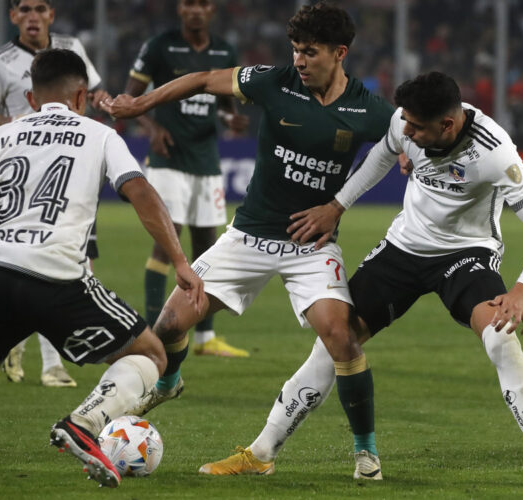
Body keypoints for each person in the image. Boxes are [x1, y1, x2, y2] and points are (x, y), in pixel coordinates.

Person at [199, 72, 523, 490]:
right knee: (335, 343)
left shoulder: (494, 153)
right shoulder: (407, 123)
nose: (407, 131)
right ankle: (260, 454)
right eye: (406, 123)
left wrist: (521, 290)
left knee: (500, 337)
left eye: (417, 128)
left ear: (448, 126)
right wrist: (337, 206)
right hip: (403, 249)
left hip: (465, 254)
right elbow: (382, 156)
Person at [0, 49, 204, 498]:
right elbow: (140, 191)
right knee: (150, 353)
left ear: (29, 95)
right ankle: (84, 424)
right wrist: (180, 262)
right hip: (56, 279)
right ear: (82, 94)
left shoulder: (2, 136)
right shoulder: (98, 134)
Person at [102, 1, 394, 480]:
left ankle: (366, 452)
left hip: (311, 247)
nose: (299, 60)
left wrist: (350, 196)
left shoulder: (368, 109)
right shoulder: (273, 81)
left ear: (340, 53)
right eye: (296, 49)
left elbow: (407, 138)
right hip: (248, 235)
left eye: (311, 52)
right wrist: (139, 105)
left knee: (342, 338)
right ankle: (171, 381)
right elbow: (200, 79)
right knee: (171, 323)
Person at [0, 0, 110, 388]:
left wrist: (110, 104)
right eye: (25, 9)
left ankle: (32, 348)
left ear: (52, 14)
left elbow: (95, 91)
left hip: (69, 170)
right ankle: (48, 361)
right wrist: (22, 121)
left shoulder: (71, 49)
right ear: (13, 16)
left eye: (41, 8)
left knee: (75, 256)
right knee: (35, 258)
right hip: (25, 174)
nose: (33, 16)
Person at [124, 0, 250, 357]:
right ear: (180, 9)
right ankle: (151, 333)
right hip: (168, 159)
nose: (196, 10)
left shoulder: (225, 49)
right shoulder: (159, 46)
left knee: (207, 246)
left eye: (203, 4)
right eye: (189, 3)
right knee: (166, 242)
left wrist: (230, 120)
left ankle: (204, 338)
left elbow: (225, 104)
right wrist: (151, 128)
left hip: (206, 159)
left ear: (212, 10)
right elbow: (130, 97)